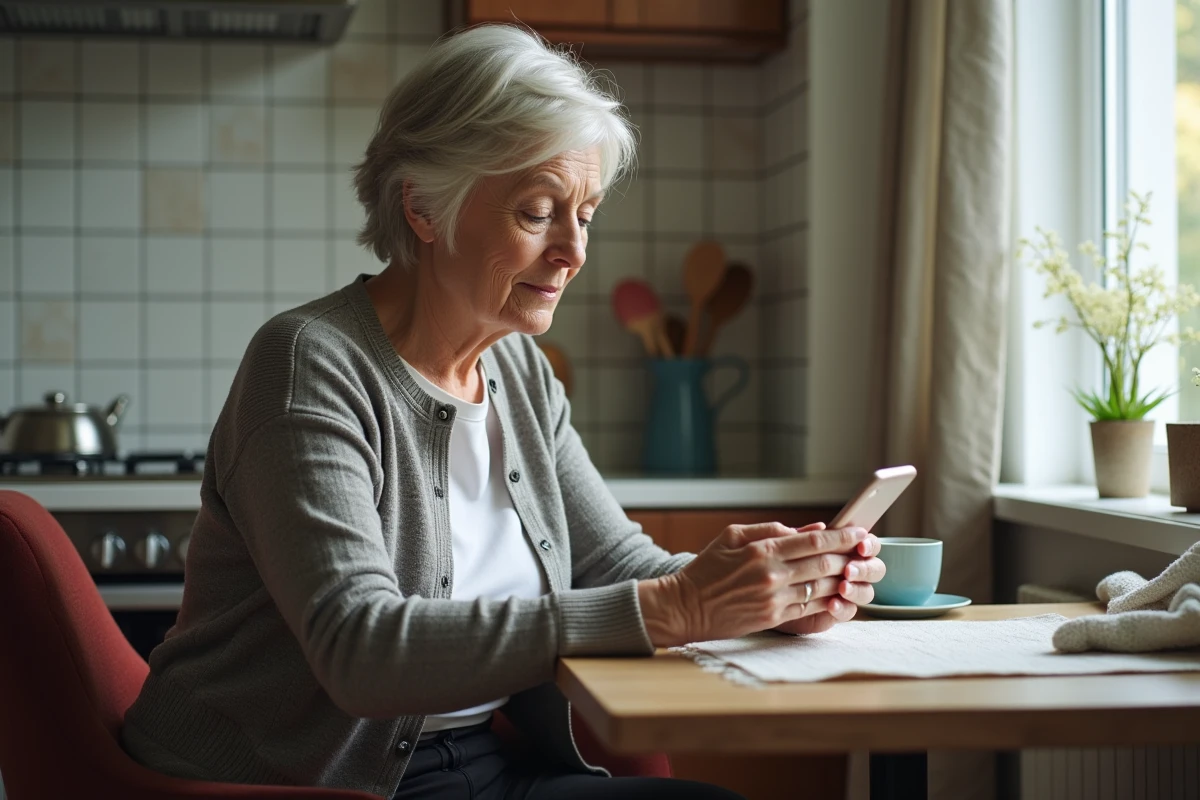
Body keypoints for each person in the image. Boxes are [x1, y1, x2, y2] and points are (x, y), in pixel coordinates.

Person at [121, 24, 885, 800]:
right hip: (295, 785)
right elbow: (360, 649)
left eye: (585, 214)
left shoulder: (519, 371)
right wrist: (682, 605)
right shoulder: (310, 364)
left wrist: (768, 592)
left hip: (474, 765)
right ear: (424, 207)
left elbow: (620, 566)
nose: (573, 252)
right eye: (538, 212)